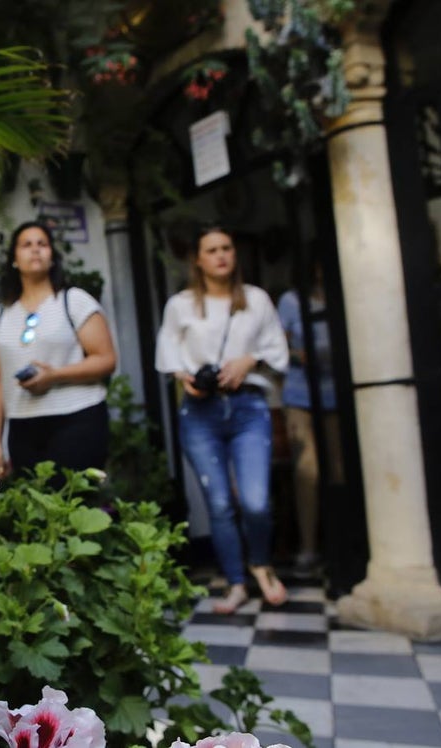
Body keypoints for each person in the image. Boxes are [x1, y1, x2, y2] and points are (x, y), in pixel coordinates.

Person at [155, 225, 290, 614]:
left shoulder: (256, 300)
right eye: (211, 250)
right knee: (218, 502)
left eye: (227, 248)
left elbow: (276, 350)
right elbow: (168, 354)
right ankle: (236, 582)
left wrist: (249, 360)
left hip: (248, 406)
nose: (221, 255)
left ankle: (260, 564)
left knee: (256, 501)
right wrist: (187, 379)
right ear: (198, 259)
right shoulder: (181, 304)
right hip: (200, 411)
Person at [0, 220, 117, 485]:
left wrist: (55, 376)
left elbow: (106, 359)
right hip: (22, 427)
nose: (35, 250)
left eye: (42, 244)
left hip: (78, 418)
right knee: (35, 513)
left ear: (52, 257)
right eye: (27, 245)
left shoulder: (74, 301)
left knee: (73, 505)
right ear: (14, 259)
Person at [277, 260, 342, 576]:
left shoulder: (343, 296)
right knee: (308, 471)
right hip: (301, 394)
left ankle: (343, 544)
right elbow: (277, 347)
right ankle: (308, 547)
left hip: (338, 394)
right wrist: (300, 356)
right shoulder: (291, 302)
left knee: (340, 469)